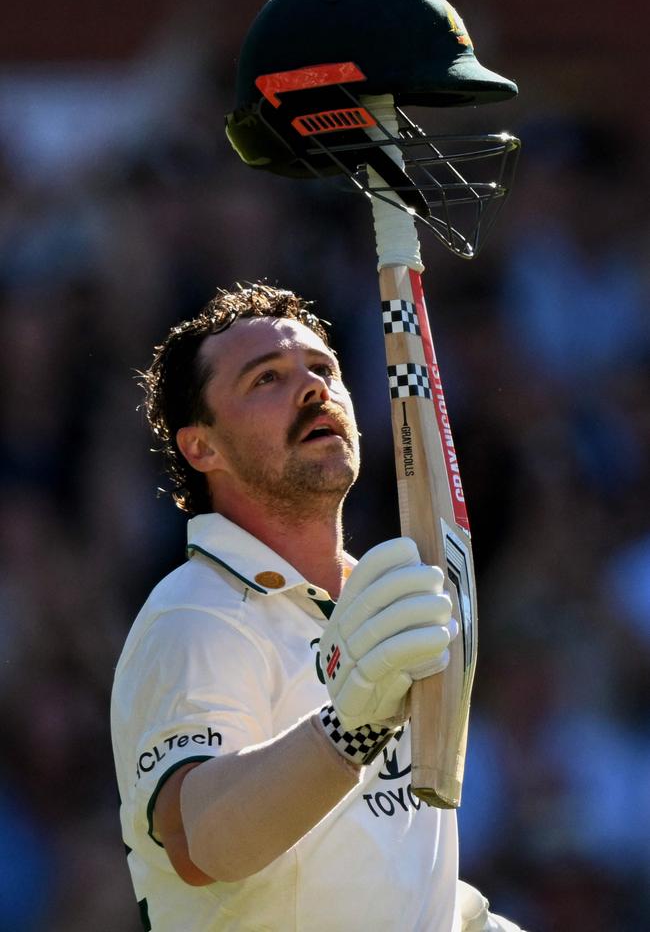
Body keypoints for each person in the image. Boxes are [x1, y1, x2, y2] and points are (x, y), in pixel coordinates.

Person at [111, 282, 524, 931]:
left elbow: (375, 862)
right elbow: (201, 843)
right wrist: (347, 733)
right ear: (202, 447)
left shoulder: (380, 601)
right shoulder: (194, 615)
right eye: (266, 379)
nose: (311, 388)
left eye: (323, 368)